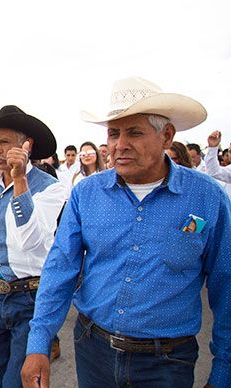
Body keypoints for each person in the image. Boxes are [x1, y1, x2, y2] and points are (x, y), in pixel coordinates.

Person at [22, 76, 230, 388]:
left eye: (134, 132)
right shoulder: (86, 194)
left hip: (167, 363)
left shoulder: (206, 197)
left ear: (167, 136)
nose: (120, 145)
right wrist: (39, 342)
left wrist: (224, 369)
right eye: (113, 133)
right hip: (94, 352)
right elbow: (60, 267)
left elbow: (225, 283)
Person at [0, 105, 67, 388]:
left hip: (28, 299)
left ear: (26, 146)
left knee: (16, 382)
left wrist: (20, 180)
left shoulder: (50, 188)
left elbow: (30, 241)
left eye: (4, 142)